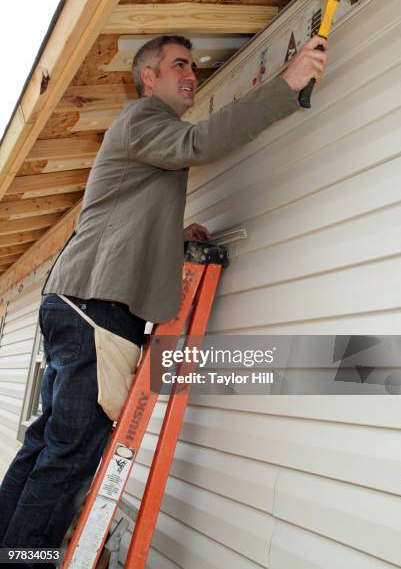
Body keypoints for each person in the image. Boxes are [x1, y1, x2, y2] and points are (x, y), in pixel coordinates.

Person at [0, 34, 328, 555]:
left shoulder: (143, 138)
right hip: (96, 312)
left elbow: (117, 215)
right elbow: (198, 144)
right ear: (148, 77)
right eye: (179, 64)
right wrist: (285, 84)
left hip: (77, 303)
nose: (192, 74)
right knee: (70, 455)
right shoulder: (144, 119)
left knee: (47, 444)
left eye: (193, 66)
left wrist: (172, 240)